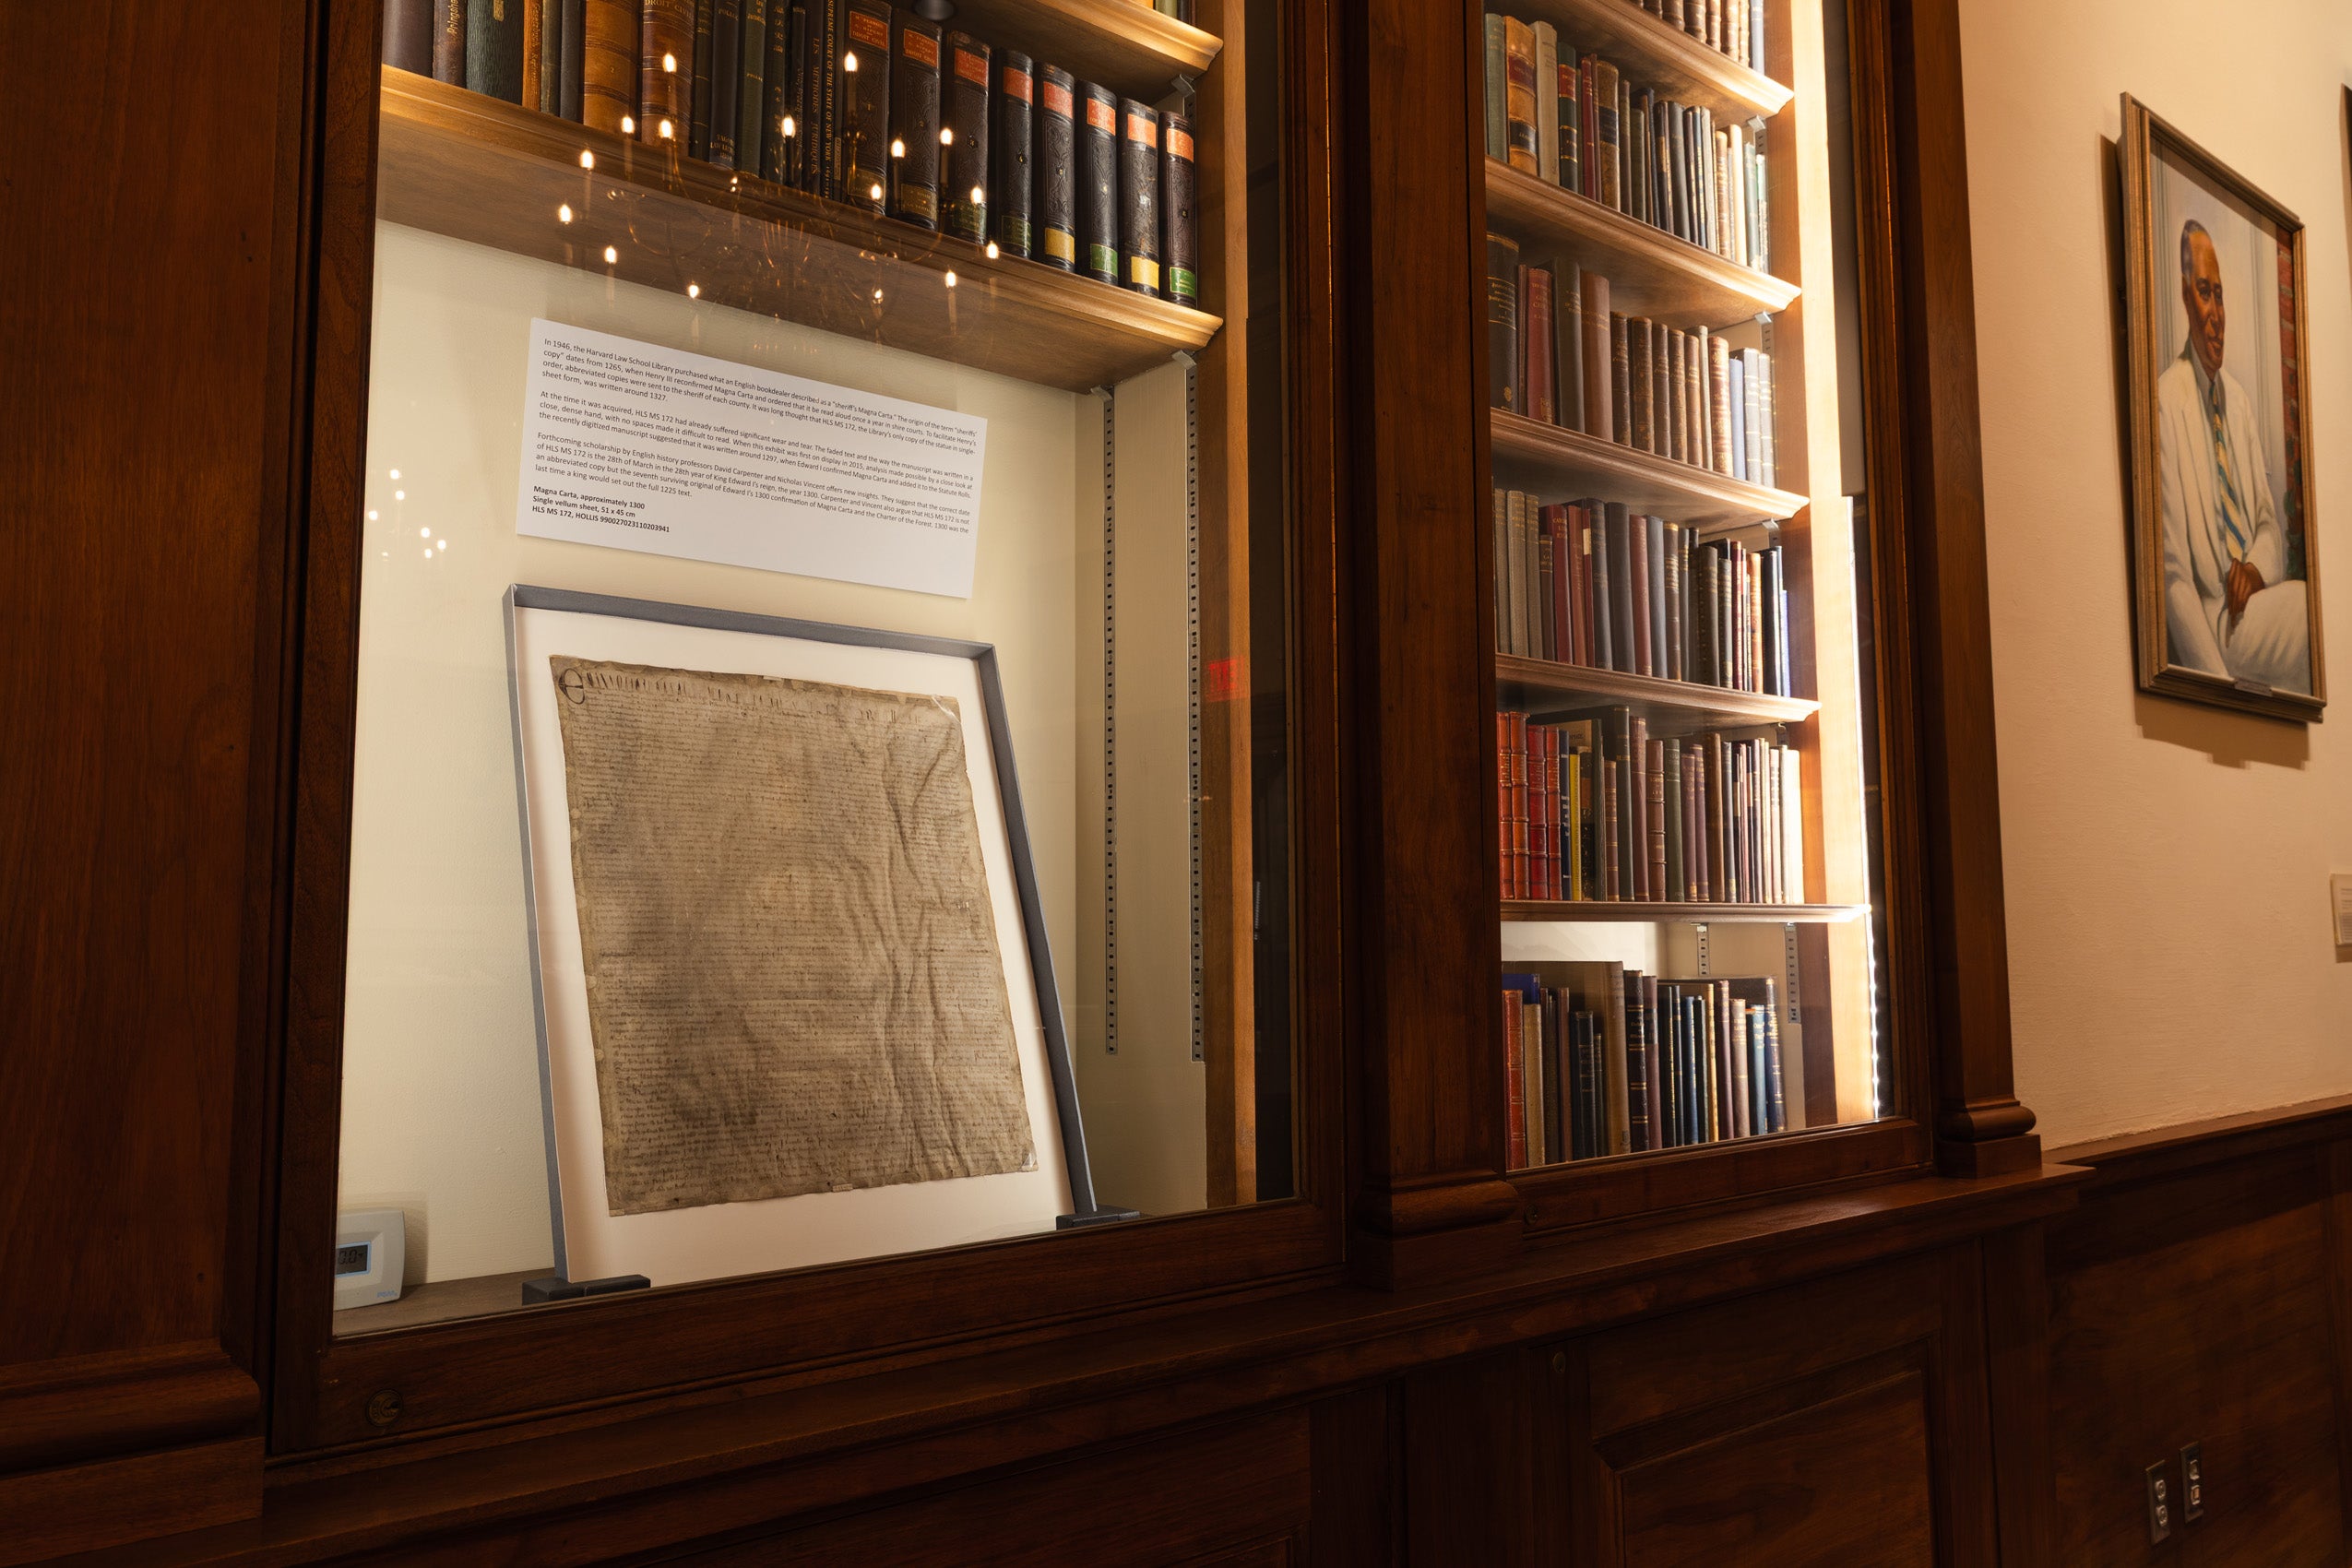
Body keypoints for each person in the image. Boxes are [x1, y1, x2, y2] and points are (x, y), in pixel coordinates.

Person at [2155, 218, 2310, 693]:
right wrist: (2221, 689)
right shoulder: (2164, 400)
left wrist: (2254, 570)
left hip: (2250, 604)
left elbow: (2268, 524)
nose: (2216, 313)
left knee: (2314, 614)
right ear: (2185, 298)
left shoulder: (2238, 402)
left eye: (2220, 295)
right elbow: (2174, 576)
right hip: (2216, 623)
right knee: (2310, 612)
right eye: (2204, 292)